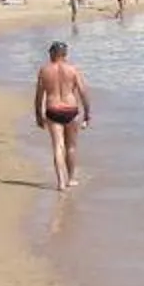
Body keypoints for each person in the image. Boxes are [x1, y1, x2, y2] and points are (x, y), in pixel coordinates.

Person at [33, 40, 91, 193]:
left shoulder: (44, 70)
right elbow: (83, 92)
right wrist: (87, 114)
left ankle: (61, 183)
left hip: (53, 110)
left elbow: (39, 96)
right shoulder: (73, 70)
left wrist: (38, 114)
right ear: (65, 54)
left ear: (52, 54)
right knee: (71, 146)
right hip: (71, 110)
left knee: (58, 146)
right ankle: (71, 179)